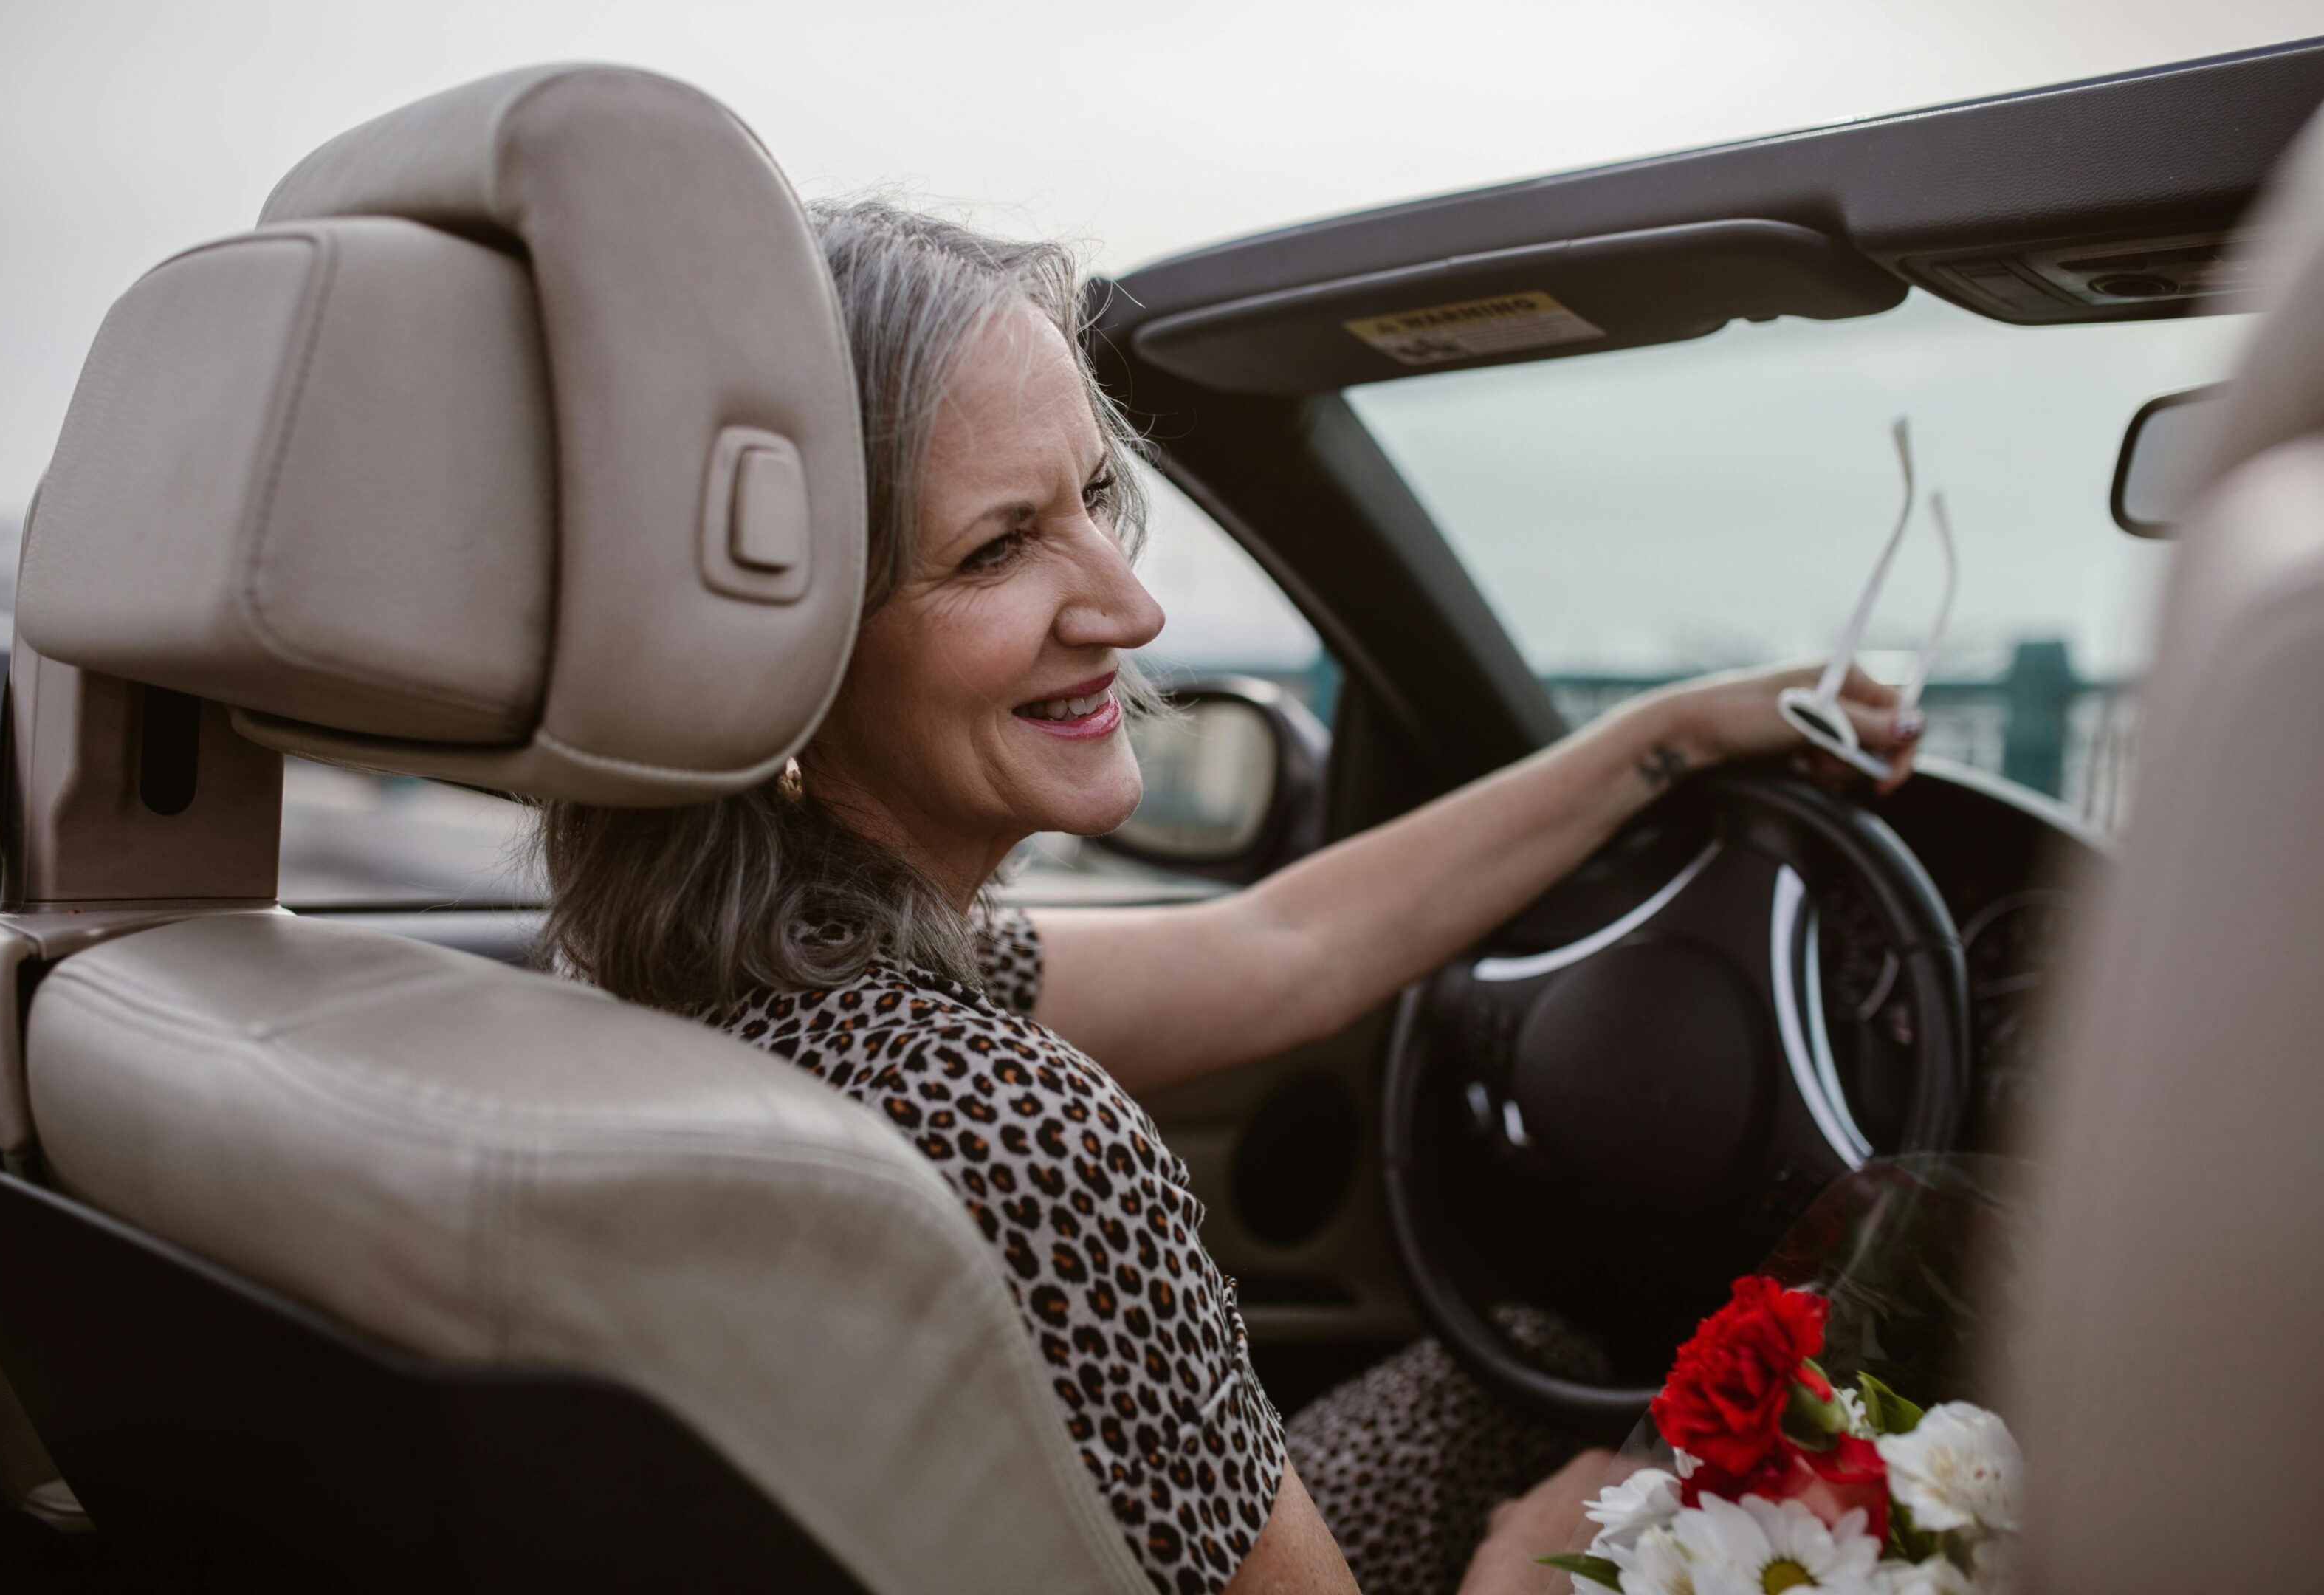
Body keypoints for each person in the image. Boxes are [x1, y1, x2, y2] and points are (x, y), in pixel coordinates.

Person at [537, 201, 1922, 1595]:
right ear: (782, 659)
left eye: (1092, 498)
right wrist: (1532, 1572)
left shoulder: (707, 988)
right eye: (999, 549)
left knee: (1535, 1366)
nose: (1131, 607)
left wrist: (1662, 736)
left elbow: (1287, 947)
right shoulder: (1019, 1133)